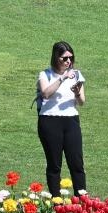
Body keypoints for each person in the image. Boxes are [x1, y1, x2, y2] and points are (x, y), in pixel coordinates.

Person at [36, 41, 87, 197]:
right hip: (50, 121)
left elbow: (82, 102)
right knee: (54, 164)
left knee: (76, 161)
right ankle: (56, 200)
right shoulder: (45, 74)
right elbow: (45, 93)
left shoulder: (77, 75)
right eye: (64, 58)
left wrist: (77, 92)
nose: (68, 61)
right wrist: (63, 78)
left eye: (70, 58)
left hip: (71, 120)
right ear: (56, 57)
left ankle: (81, 199)